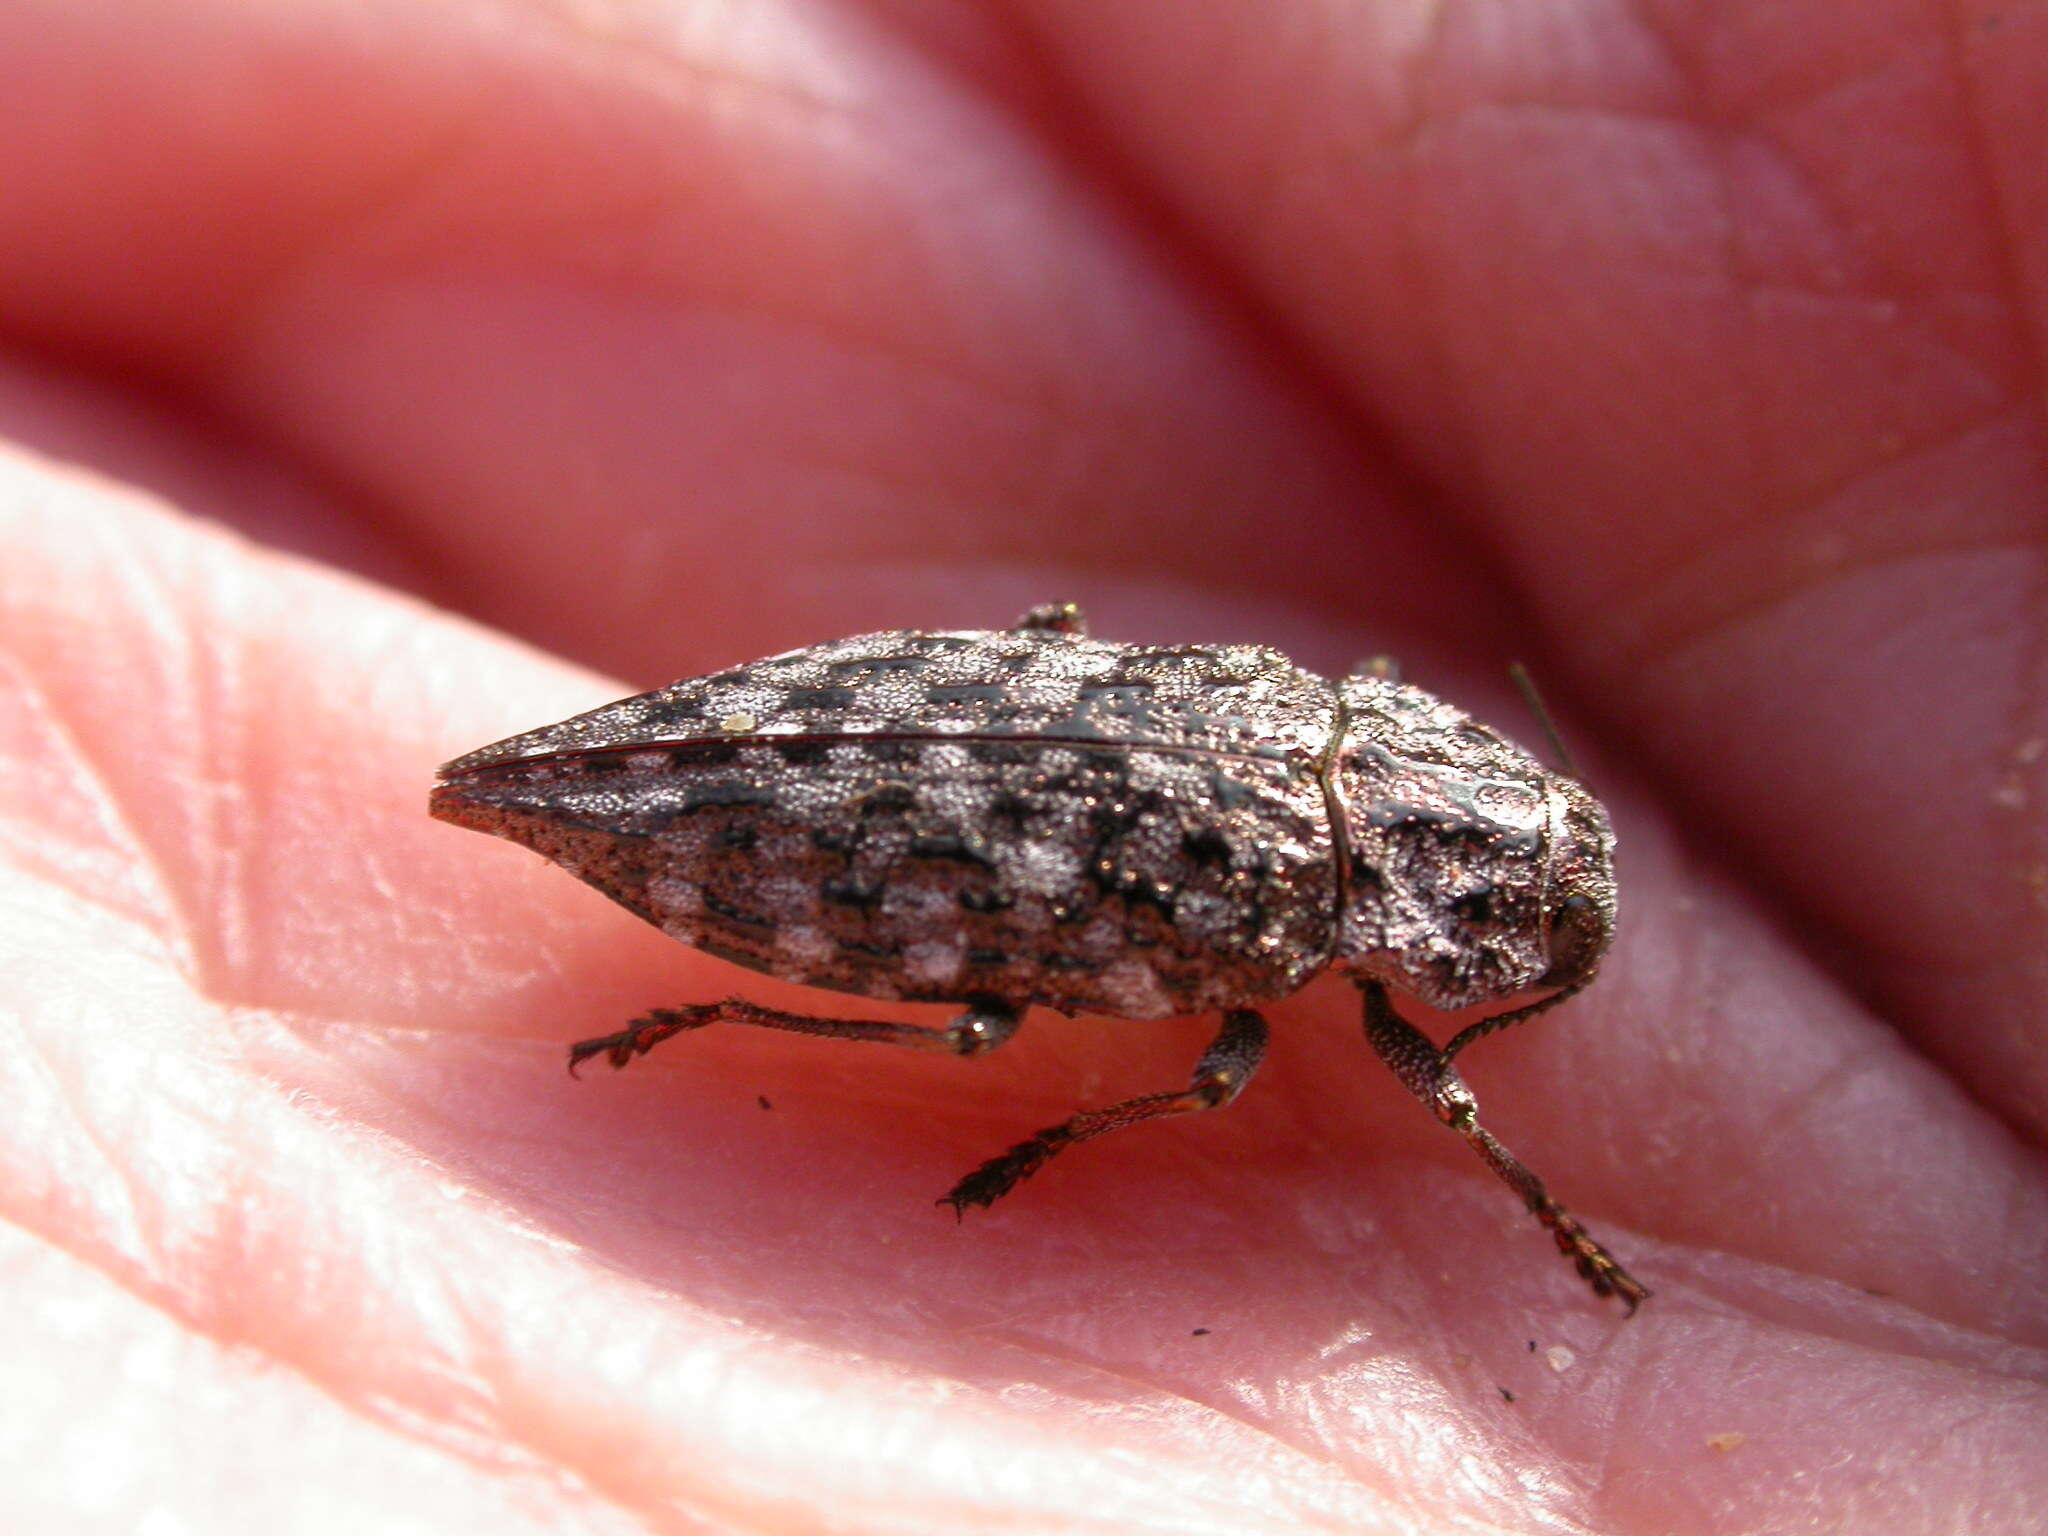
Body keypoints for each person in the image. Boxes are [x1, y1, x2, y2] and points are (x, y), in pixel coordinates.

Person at [1, 3, 2041, 1530]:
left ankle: (742, 983)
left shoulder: (1283, 699)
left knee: (1023, 972)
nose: (1502, 967)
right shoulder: (1264, 914)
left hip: (852, 726)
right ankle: (724, 994)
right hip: (804, 818)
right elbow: (1319, 1053)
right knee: (1002, 1049)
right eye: (1501, 936)